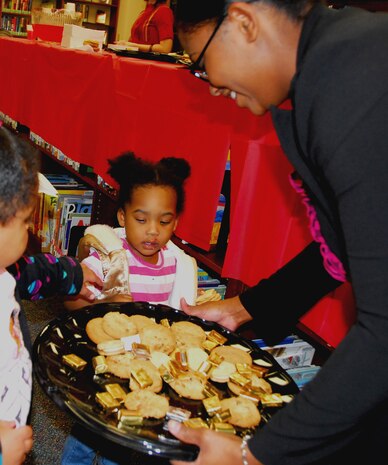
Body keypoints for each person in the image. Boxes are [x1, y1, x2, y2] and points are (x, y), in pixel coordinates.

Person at [163, 1, 388, 465]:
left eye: (202, 65)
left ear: (243, 21)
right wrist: (246, 306)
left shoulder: (352, 87)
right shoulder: (328, 67)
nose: (212, 88)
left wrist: (254, 454)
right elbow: (349, 248)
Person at [61, 151, 197, 465]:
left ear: (175, 221)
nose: (153, 230)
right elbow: (71, 299)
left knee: (128, 437)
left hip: (145, 371)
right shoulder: (110, 257)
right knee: (88, 430)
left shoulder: (176, 265)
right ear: (122, 217)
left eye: (164, 221)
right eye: (141, 219)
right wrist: (105, 300)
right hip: (105, 364)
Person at [0, 125, 102, 465]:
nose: (30, 231)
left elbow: (33, 272)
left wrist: (73, 274)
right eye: (26, 221)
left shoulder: (6, 271)